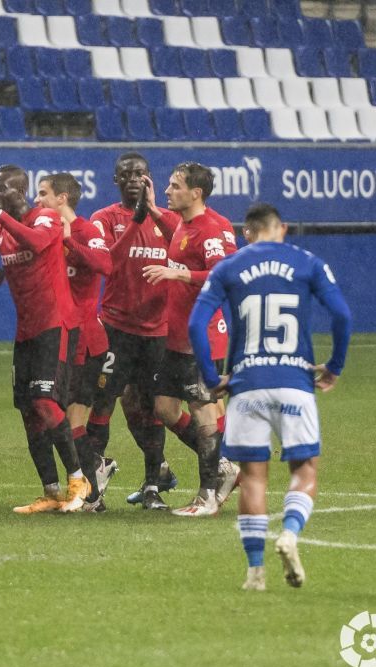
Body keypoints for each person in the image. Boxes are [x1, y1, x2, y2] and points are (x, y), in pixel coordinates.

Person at [188, 203, 351, 591]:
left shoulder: (228, 267)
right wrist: (334, 366)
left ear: (248, 231)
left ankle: (255, 572)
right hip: (295, 381)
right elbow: (342, 315)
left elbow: (196, 322)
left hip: (247, 387)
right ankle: (291, 533)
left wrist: (213, 378)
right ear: (283, 229)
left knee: (253, 478)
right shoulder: (307, 262)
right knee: (304, 470)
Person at [0, 165, 90, 515]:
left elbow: (35, 242)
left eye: (0, 187)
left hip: (55, 323)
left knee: (48, 404)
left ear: (19, 191)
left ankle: (79, 480)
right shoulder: (2, 230)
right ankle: (50, 491)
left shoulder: (45, 218)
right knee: (29, 411)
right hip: (27, 329)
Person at [142, 162, 237, 517]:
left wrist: (179, 273)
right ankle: (224, 467)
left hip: (202, 338)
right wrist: (153, 210)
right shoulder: (185, 223)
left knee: (203, 413)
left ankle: (208, 495)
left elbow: (222, 273)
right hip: (176, 336)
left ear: (195, 193)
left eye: (174, 186)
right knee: (165, 409)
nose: (167, 191)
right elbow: (178, 231)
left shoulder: (213, 229)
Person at [88, 153, 178, 510]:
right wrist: (135, 221)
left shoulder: (166, 220)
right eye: (126, 174)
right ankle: (94, 486)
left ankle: (153, 485)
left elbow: (189, 251)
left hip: (157, 330)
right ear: (115, 180)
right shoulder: (105, 219)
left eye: (140, 173)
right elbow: (105, 262)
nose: (133, 179)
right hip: (117, 327)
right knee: (103, 401)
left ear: (149, 179)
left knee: (151, 408)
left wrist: (153, 213)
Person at [35, 172, 112, 511]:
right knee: (59, 415)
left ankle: (91, 493)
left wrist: (68, 241)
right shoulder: (45, 231)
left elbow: (104, 264)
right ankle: (90, 481)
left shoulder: (86, 230)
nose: (37, 200)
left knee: (72, 419)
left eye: (43, 194)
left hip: (85, 339)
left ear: (62, 199)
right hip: (60, 336)